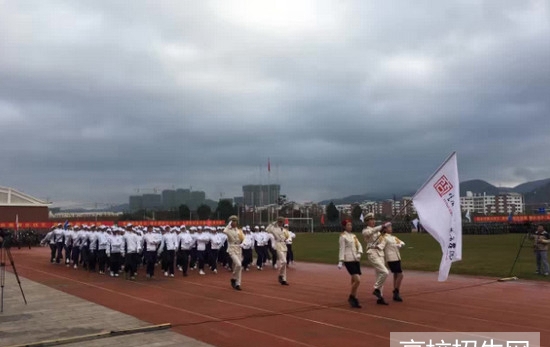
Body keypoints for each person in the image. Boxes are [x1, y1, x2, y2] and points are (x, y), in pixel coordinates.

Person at [361, 213, 390, 305]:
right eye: (371, 220)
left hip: (380, 253)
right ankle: (376, 288)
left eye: (374, 220)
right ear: (367, 222)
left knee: (379, 275)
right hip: (372, 253)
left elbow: (383, 241)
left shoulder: (378, 232)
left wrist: (379, 246)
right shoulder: (365, 231)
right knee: (385, 272)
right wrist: (381, 226)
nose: (373, 221)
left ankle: (380, 296)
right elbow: (371, 232)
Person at [338, 219, 363, 308]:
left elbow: (359, 245)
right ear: (344, 226)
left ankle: (355, 297)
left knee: (354, 280)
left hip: (355, 259)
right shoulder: (343, 236)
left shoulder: (353, 236)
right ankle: (352, 297)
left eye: (350, 225)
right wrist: (341, 261)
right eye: (348, 225)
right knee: (357, 280)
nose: (350, 226)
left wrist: (359, 253)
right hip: (348, 259)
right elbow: (342, 249)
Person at [383, 223, 405, 301]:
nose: (390, 228)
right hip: (391, 258)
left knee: (396, 274)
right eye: (388, 227)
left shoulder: (393, 237)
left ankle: (395, 292)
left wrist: (400, 245)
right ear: (385, 229)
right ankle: (396, 291)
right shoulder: (384, 238)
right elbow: (381, 246)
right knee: (400, 274)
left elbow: (402, 242)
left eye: (391, 227)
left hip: (397, 257)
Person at [266, 217, 290, 285]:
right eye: (279, 222)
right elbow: (267, 229)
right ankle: (280, 275)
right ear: (277, 222)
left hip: (284, 245)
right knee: (284, 261)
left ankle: (284, 279)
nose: (280, 223)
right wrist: (272, 224)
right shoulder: (274, 229)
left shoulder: (284, 229)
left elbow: (287, 237)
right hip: (278, 245)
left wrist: (285, 238)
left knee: (284, 264)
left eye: (281, 222)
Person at [224, 215, 245, 290]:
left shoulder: (239, 230)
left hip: (238, 248)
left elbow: (244, 238)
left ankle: (237, 283)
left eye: (235, 221)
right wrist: (229, 225)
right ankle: (233, 278)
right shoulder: (228, 230)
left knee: (239, 266)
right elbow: (225, 231)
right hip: (232, 248)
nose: (234, 222)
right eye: (232, 221)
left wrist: (243, 243)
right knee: (238, 264)